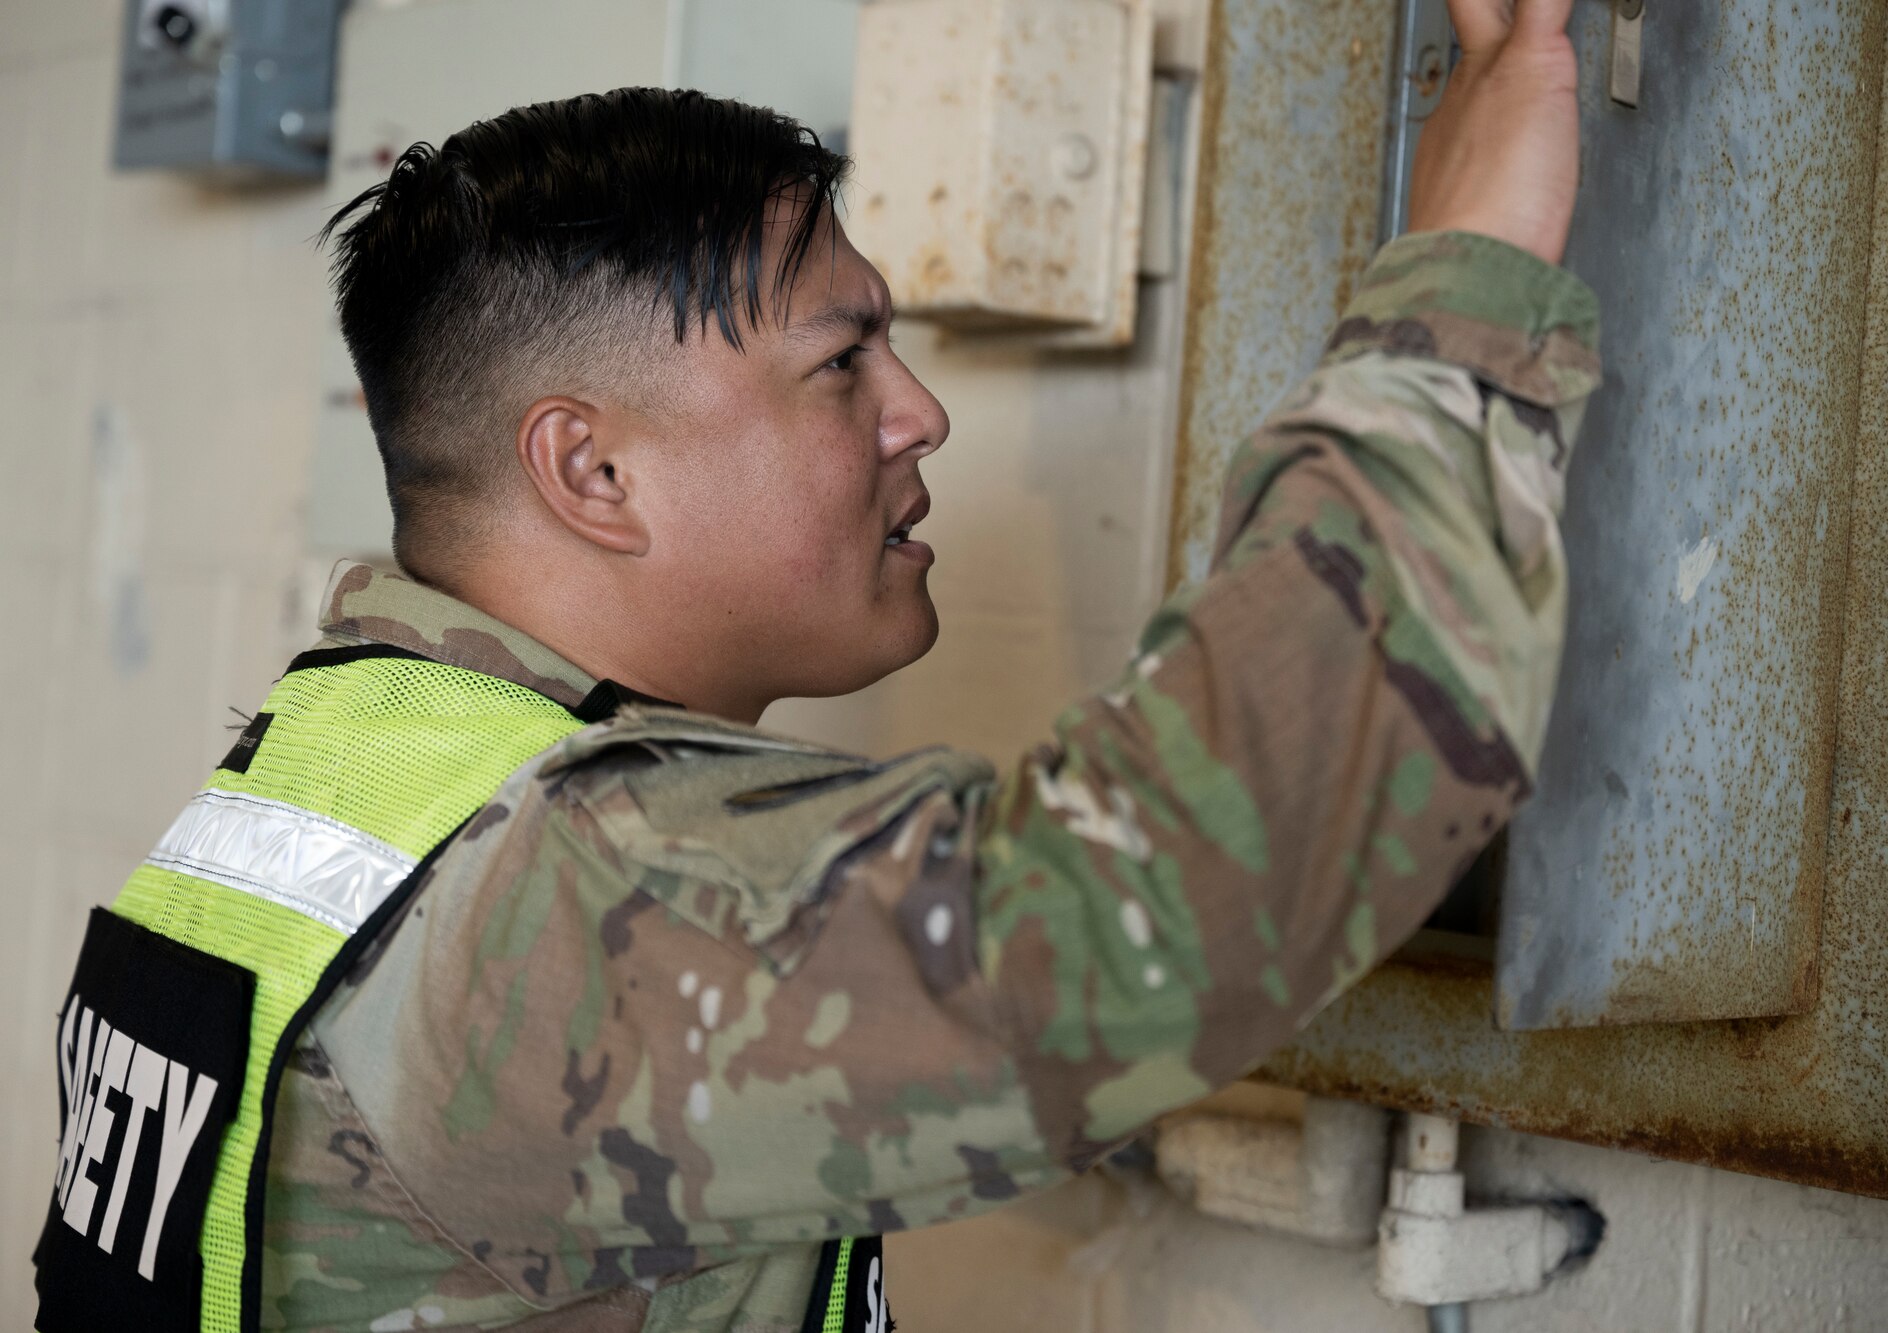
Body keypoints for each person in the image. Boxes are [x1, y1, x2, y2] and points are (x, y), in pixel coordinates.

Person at [34, 0, 1593, 1328]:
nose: (920, 412)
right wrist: (1467, 271)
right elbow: (1163, 907)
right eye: (840, 362)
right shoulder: (560, 892)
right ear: (592, 474)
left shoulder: (346, 771)